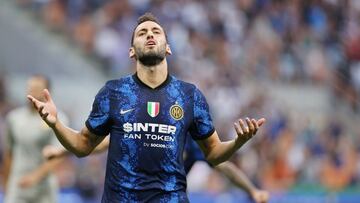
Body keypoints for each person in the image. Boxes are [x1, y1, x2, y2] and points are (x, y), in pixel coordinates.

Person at [27, 13, 266, 202]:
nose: (149, 35)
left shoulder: (189, 95)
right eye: (142, 33)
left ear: (168, 47)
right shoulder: (114, 92)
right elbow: (82, 146)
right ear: (132, 50)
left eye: (156, 31)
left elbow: (213, 154)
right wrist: (56, 124)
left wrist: (238, 142)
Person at [44, 136, 269, 203]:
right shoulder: (148, 136)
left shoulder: (193, 145)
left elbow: (227, 169)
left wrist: (252, 191)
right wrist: (62, 152)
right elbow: (99, 144)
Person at [2, 75, 67, 203]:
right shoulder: (14, 118)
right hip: (18, 186)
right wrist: (6, 182)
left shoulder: (57, 119)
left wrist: (34, 177)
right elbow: (9, 153)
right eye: (29, 87)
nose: (32, 91)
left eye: (37, 88)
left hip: (44, 189)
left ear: (47, 91)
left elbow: (59, 155)